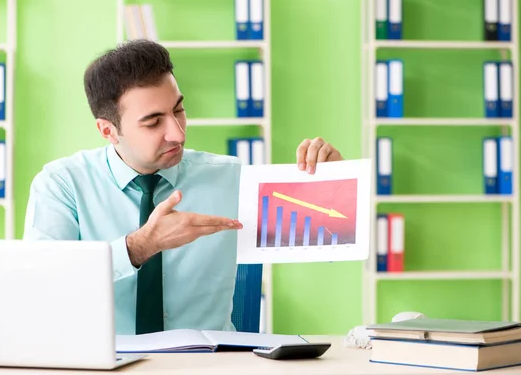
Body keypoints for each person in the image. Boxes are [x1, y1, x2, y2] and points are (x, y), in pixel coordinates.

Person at [23, 39, 344, 335]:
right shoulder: (62, 185)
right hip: (106, 364)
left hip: (210, 364)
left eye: (178, 109)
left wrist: (334, 183)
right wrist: (140, 246)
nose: (177, 133)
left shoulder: (232, 179)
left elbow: (332, 239)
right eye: (152, 122)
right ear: (108, 130)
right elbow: (41, 284)